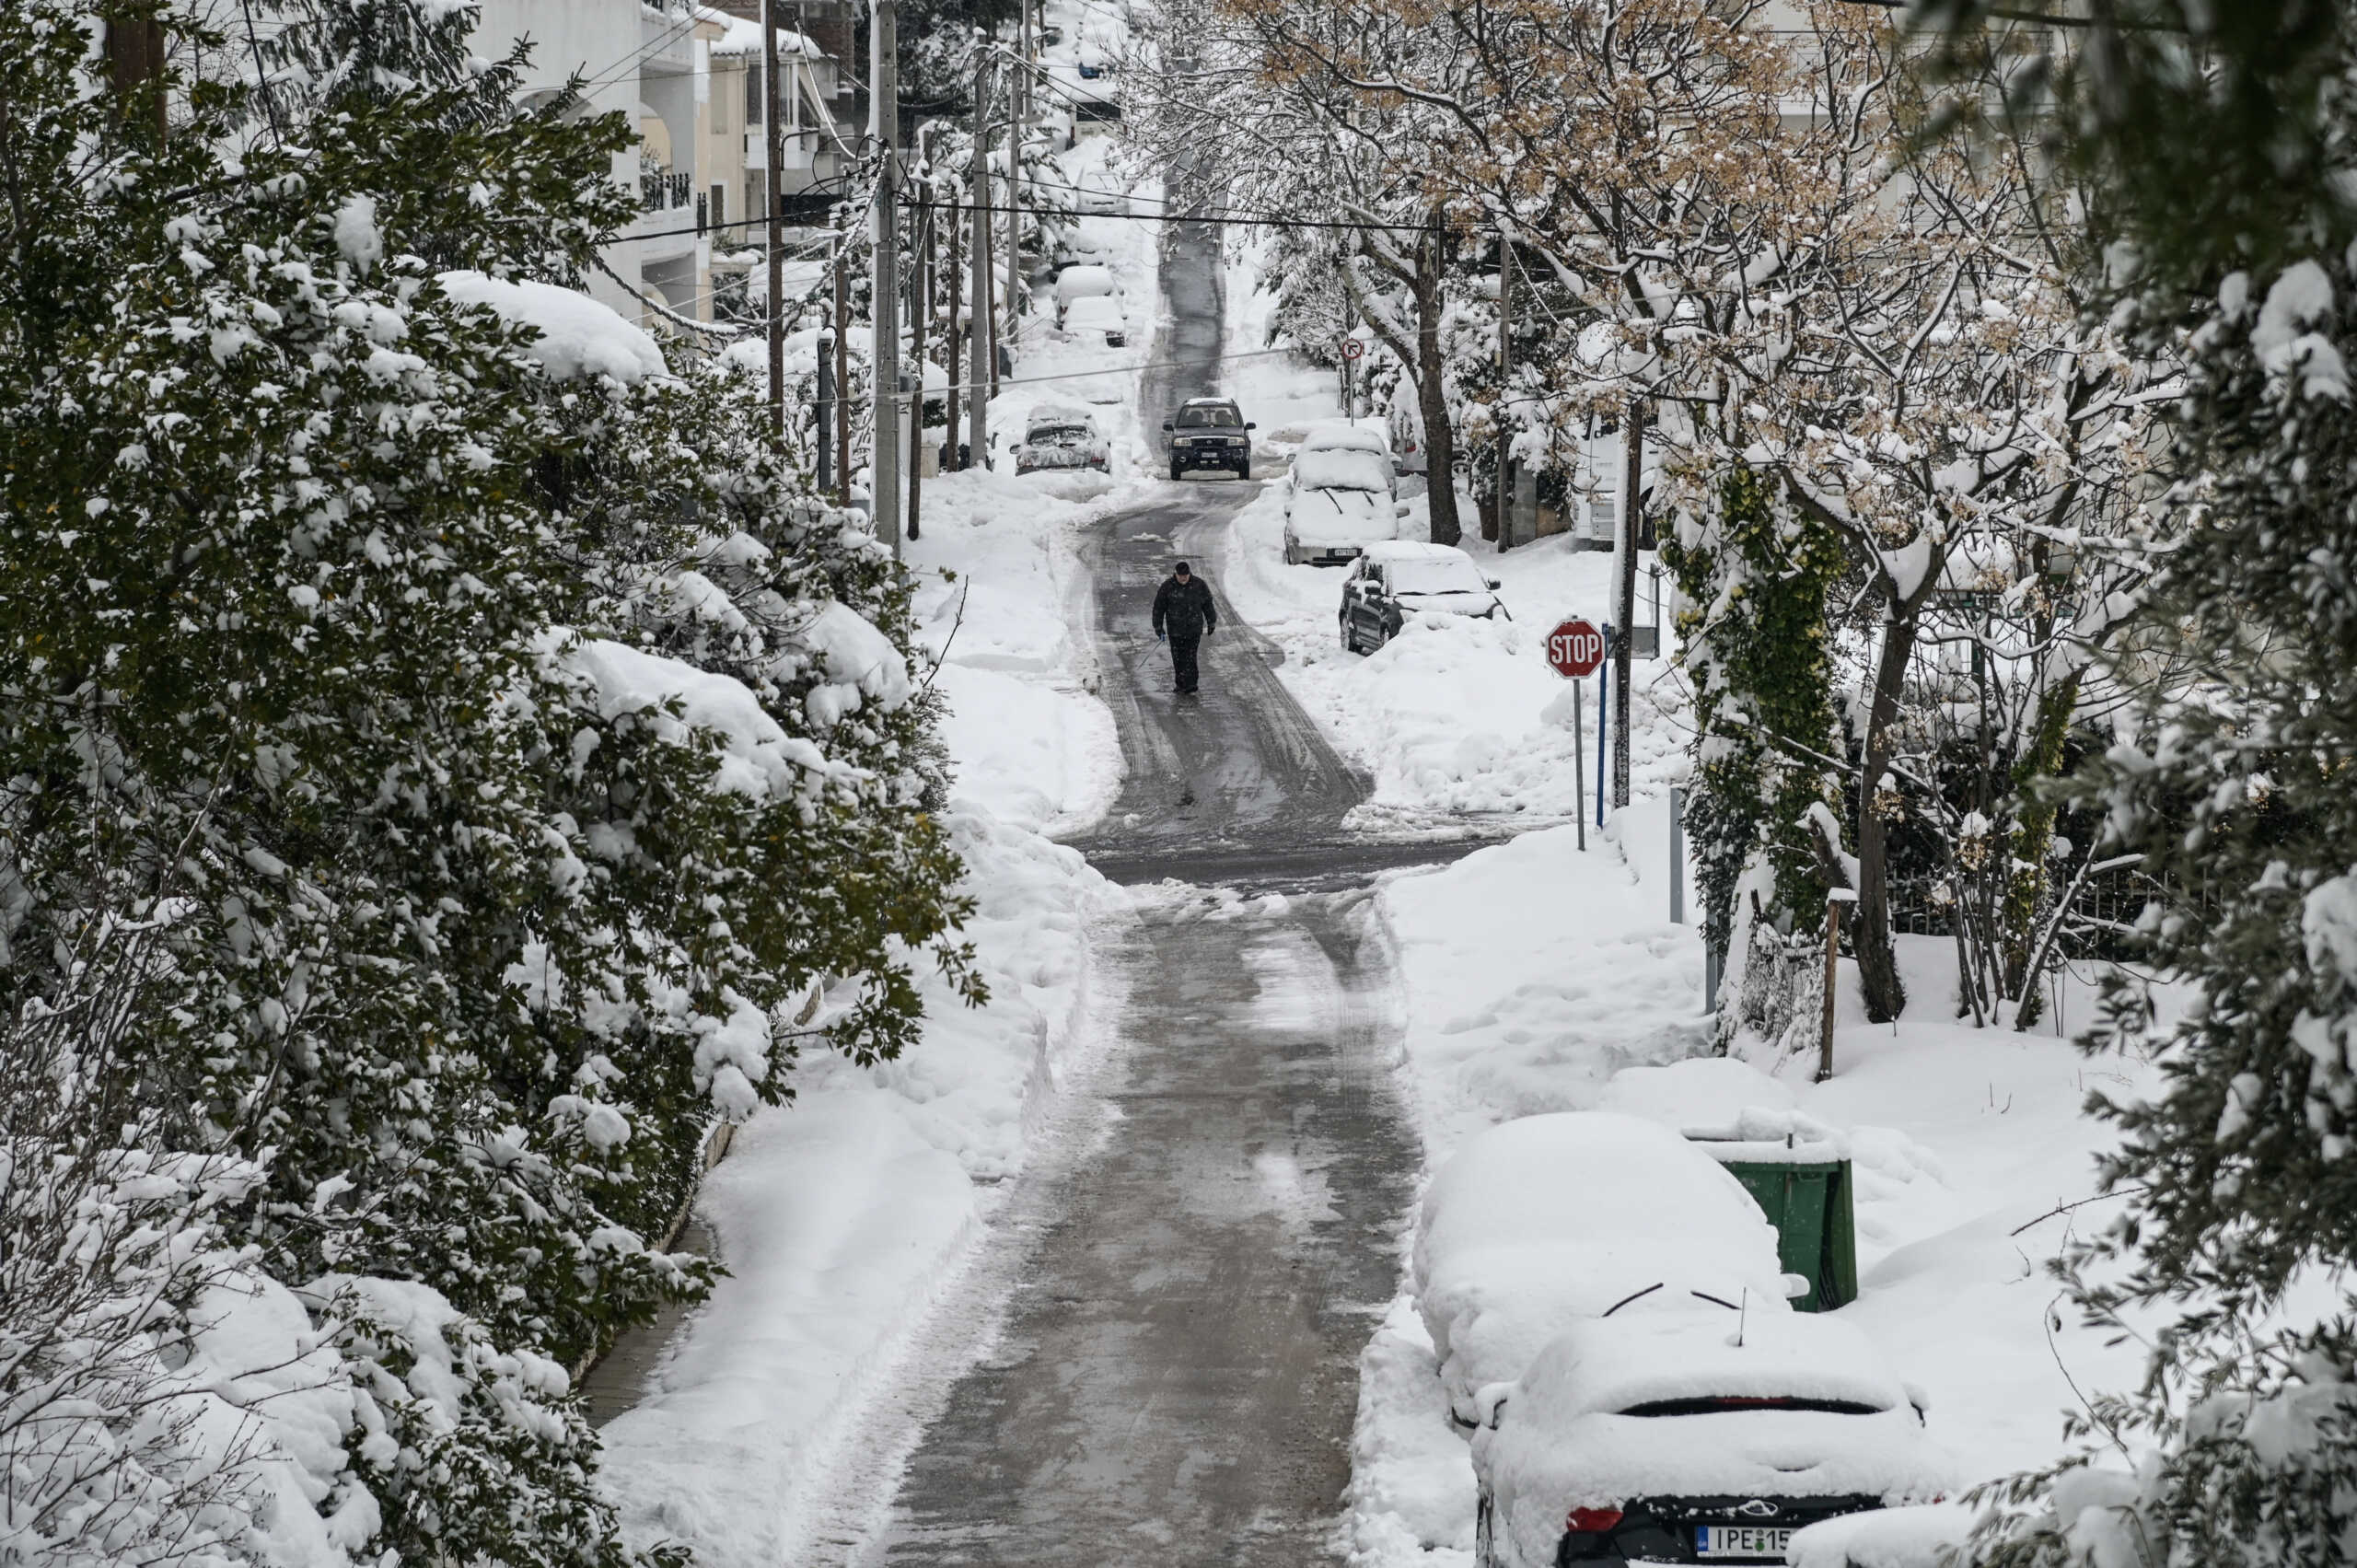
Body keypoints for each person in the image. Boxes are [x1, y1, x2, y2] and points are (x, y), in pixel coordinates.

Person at [1151, 560, 1218, 695]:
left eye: (1186, 576)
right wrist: (1158, 627)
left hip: (1193, 629)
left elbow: (1208, 604)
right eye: (1181, 576)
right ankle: (1181, 684)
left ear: (1189, 574)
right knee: (1178, 658)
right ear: (1176, 574)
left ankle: (1191, 684)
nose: (1183, 579)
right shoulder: (1167, 587)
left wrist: (1211, 621)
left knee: (1190, 656)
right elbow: (1159, 608)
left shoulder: (1199, 585)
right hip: (1175, 631)